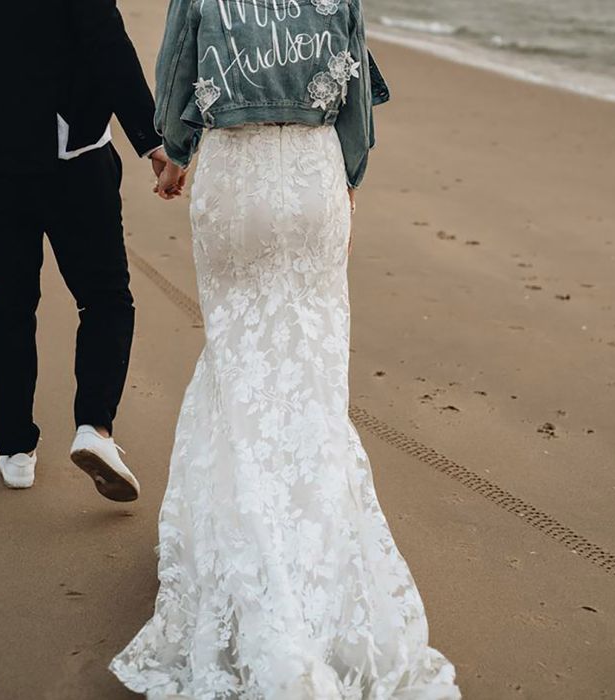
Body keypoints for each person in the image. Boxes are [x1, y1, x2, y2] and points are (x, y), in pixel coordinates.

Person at [111, 0, 462, 696]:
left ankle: (245, 564)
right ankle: (312, 563)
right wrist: (347, 185)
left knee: (238, 363)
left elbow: (176, 75)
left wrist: (174, 156)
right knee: (312, 376)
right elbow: (355, 91)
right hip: (311, 175)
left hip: (235, 180)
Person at [0, 0, 181, 500]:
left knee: (10, 305)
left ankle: (14, 450)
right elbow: (108, 47)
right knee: (105, 298)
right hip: (71, 160)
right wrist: (152, 142)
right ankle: (93, 427)